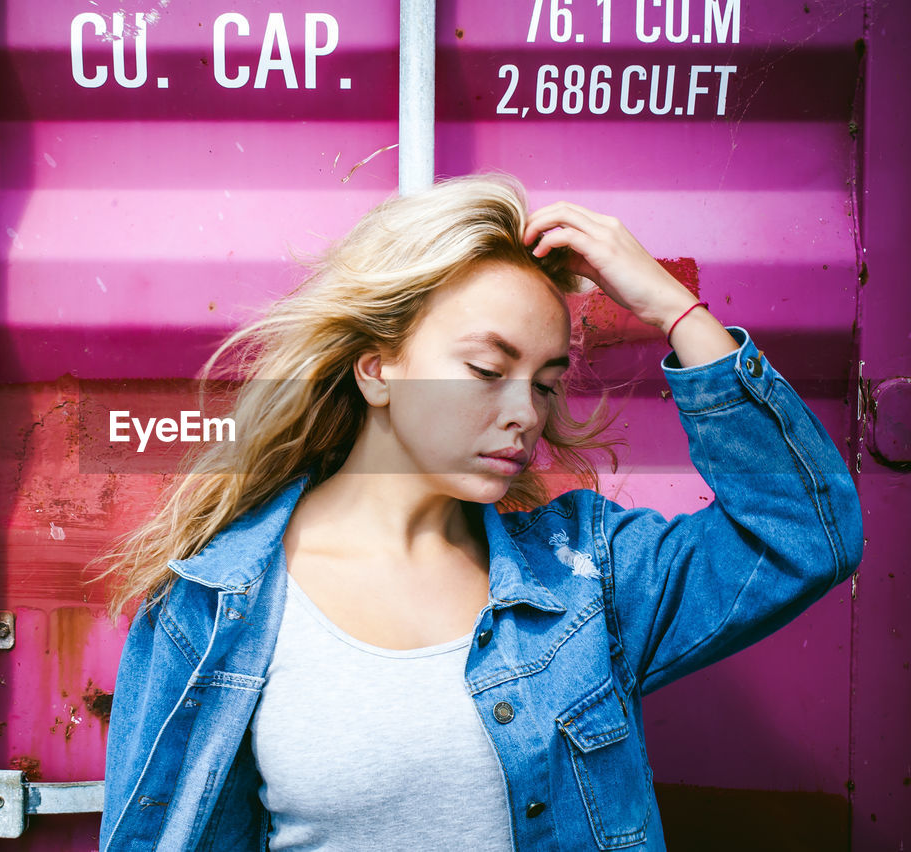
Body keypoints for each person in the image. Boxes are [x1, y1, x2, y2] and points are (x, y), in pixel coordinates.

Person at [91, 174, 864, 851]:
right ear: (377, 368)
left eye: (545, 381)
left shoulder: (585, 580)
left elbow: (804, 533)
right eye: (487, 369)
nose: (524, 412)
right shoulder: (211, 604)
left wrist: (670, 305)